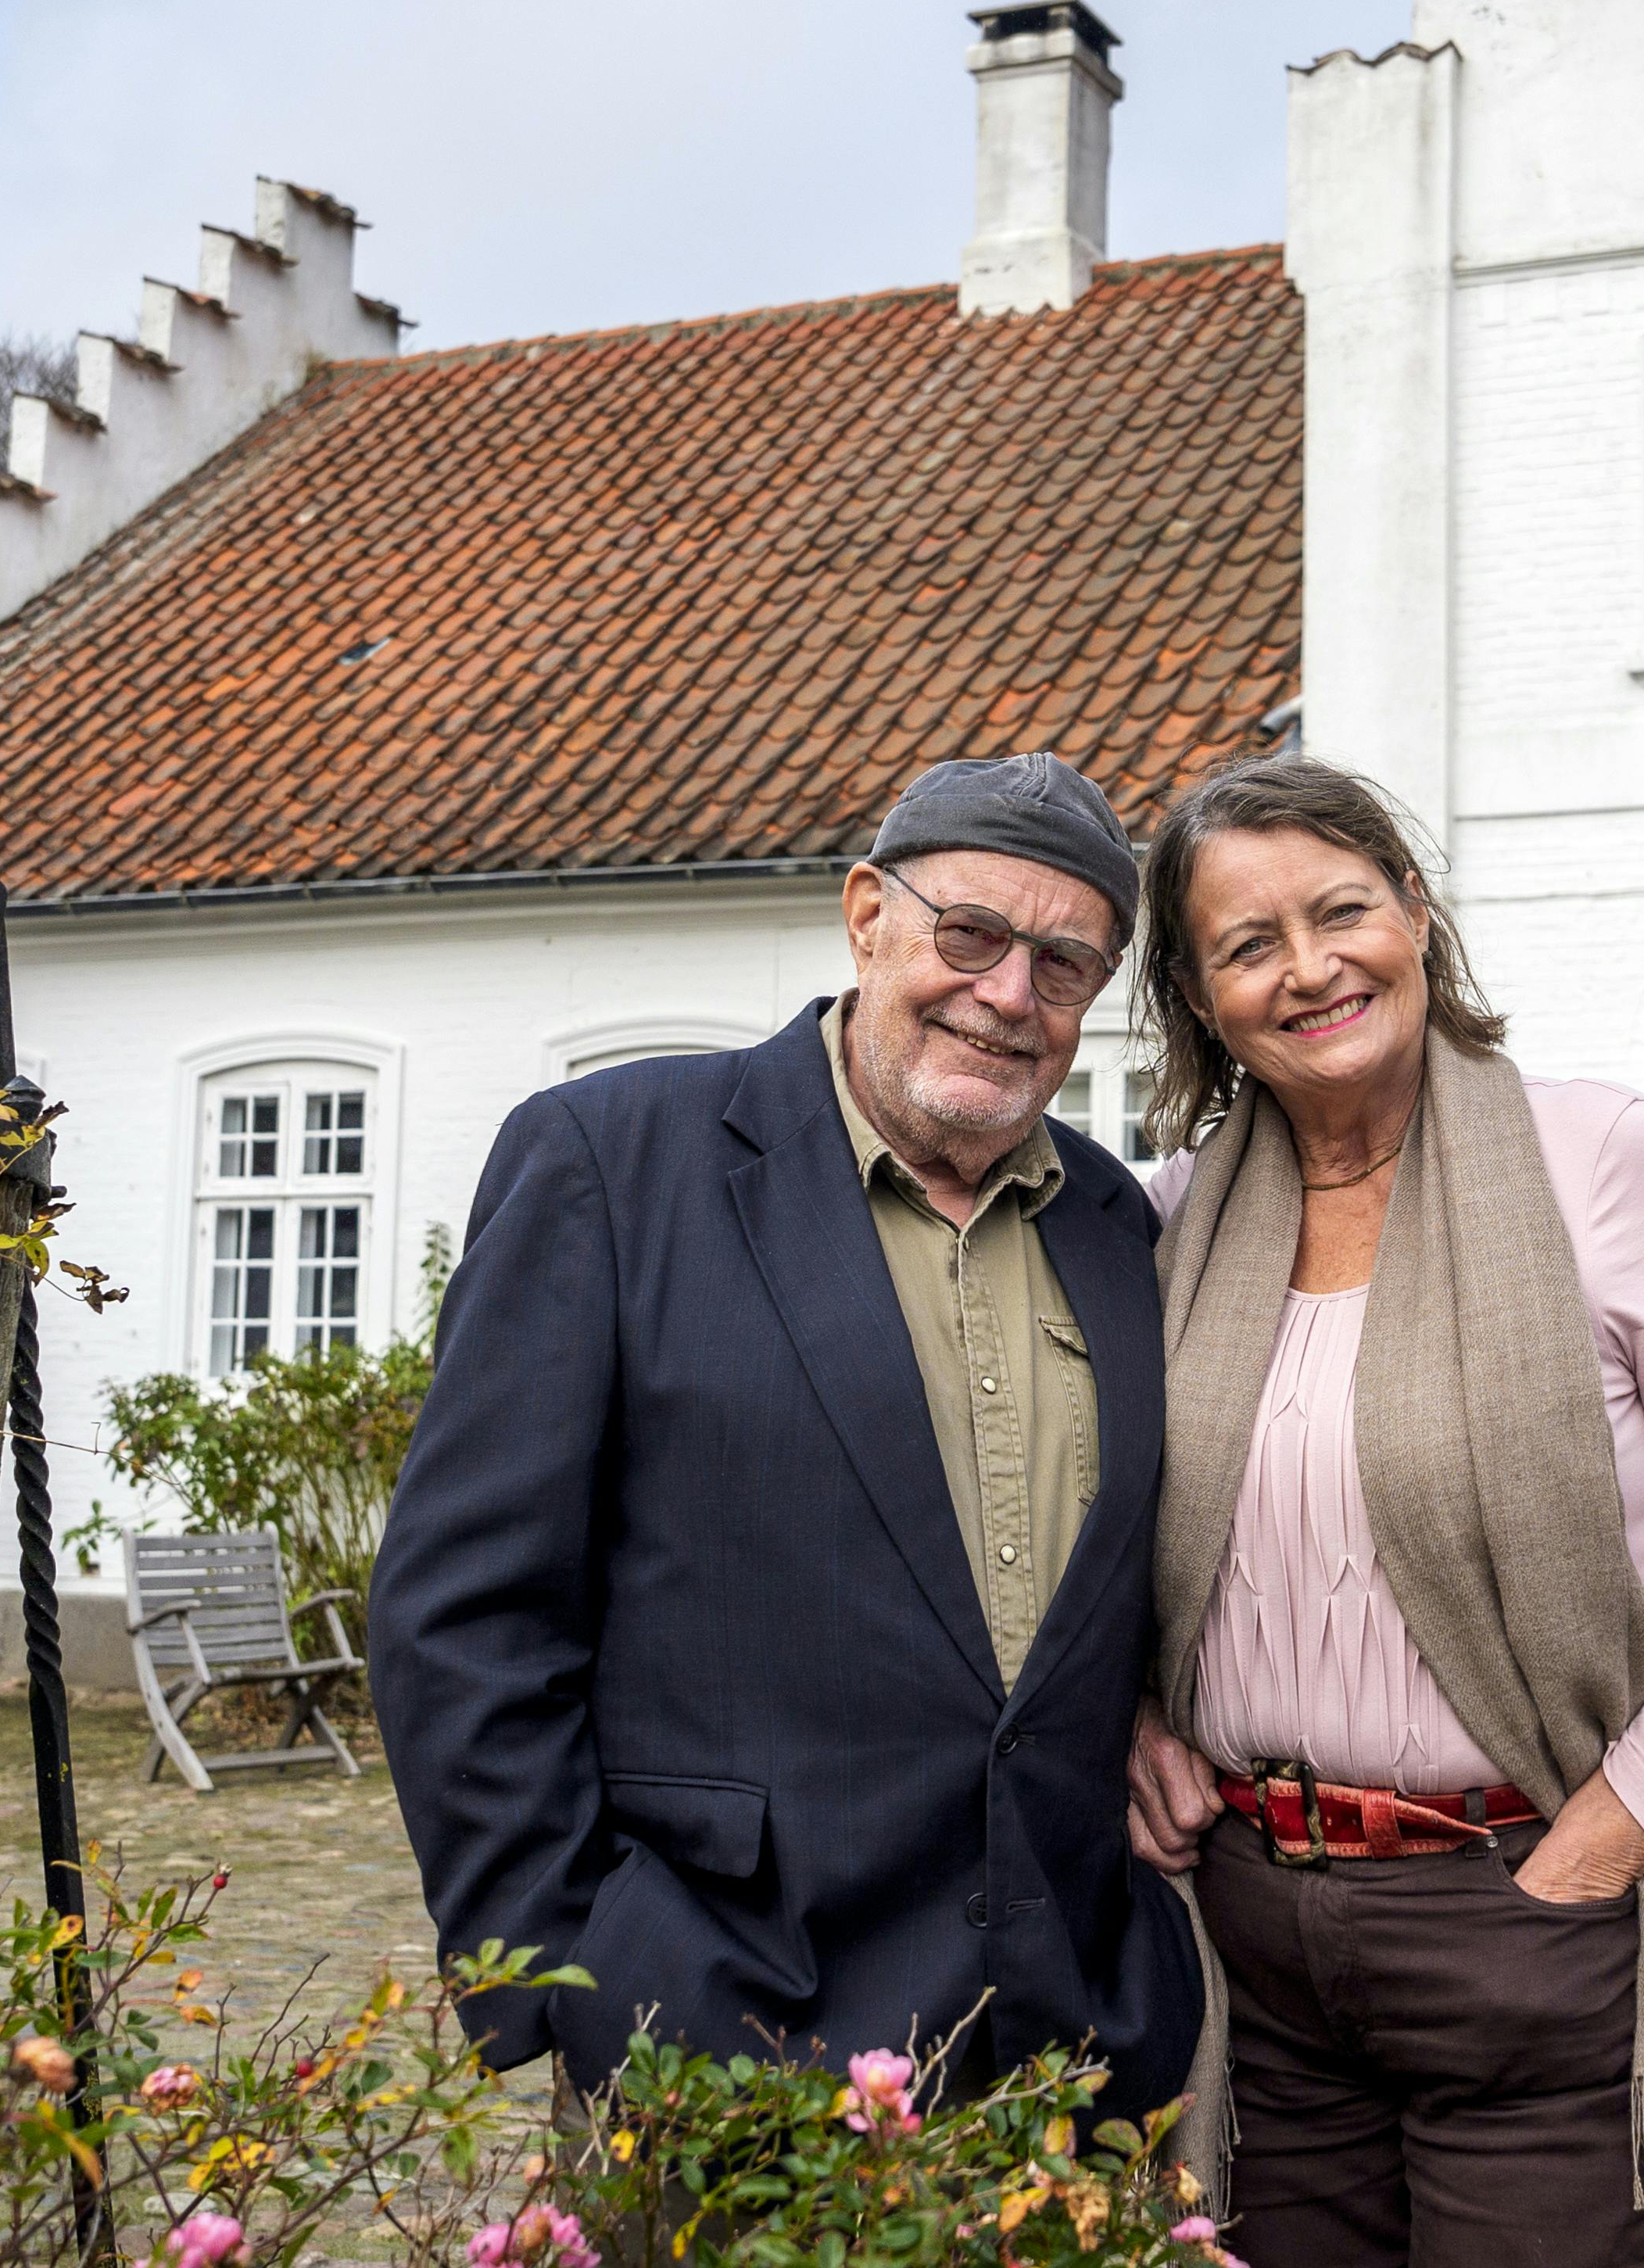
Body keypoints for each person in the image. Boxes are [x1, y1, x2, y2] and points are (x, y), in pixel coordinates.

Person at [371, 752, 1200, 2121]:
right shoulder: (611, 1159)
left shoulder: (1116, 1225)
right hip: (717, 2026)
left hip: (1060, 2043)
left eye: (1064, 965)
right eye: (971, 933)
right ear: (868, 913)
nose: (1010, 993)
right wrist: (572, 1974)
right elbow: (464, 1612)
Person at [1120, 755, 1644, 2268]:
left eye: (1342, 910)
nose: (1308, 966)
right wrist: (1138, 1718)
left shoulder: (1598, 1162)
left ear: (1416, 913)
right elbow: (1120, 1538)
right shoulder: (1175, 1217)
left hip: (1526, 1918)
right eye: (1248, 943)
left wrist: (1605, 1836)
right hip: (1249, 1951)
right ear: (1196, 996)